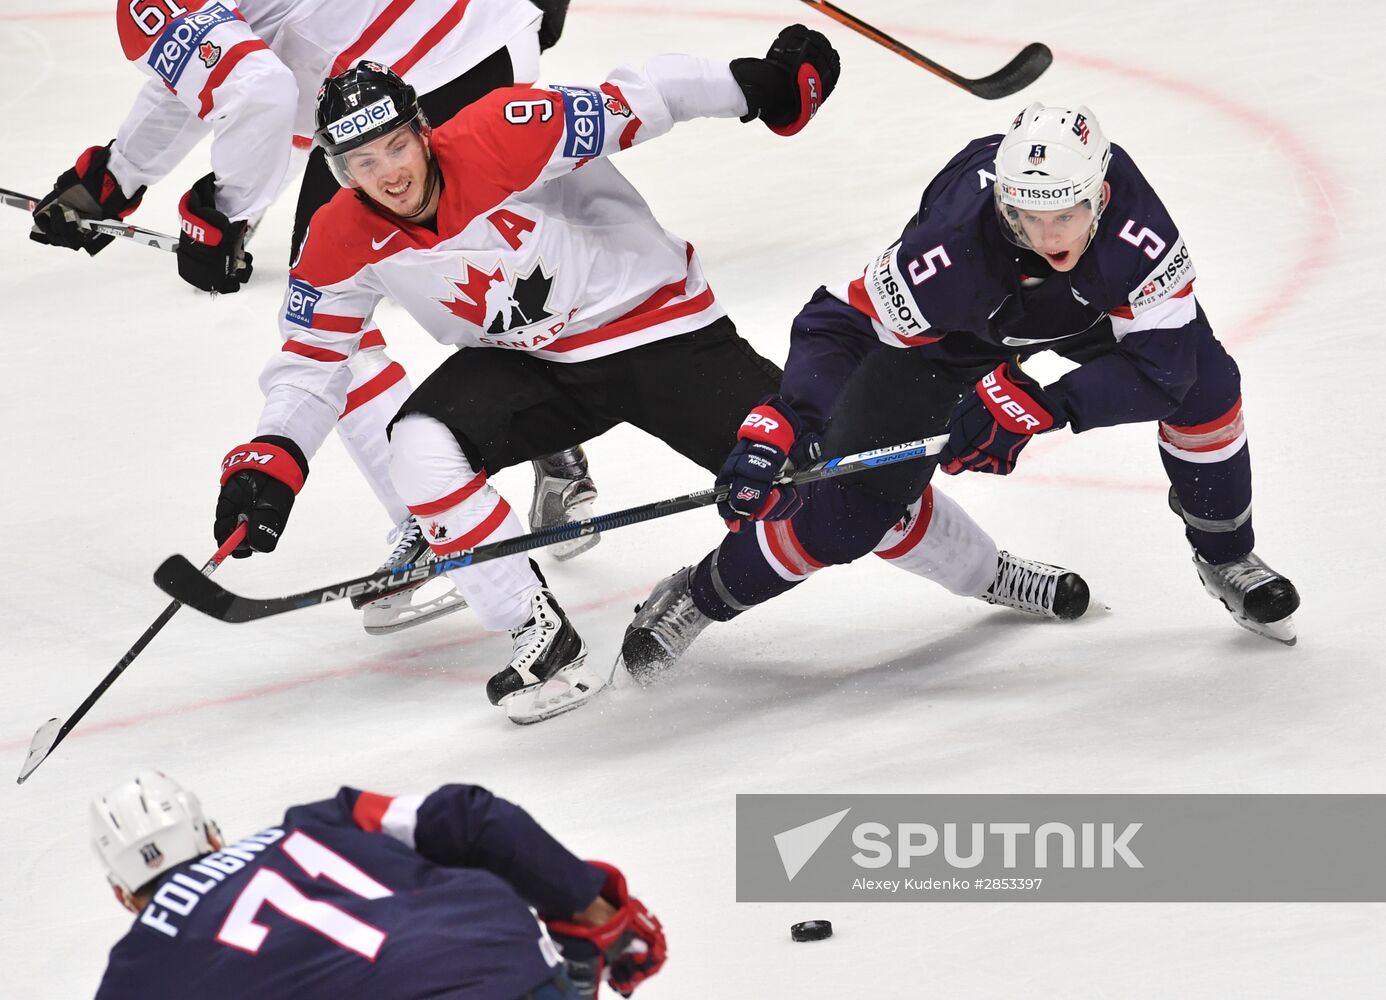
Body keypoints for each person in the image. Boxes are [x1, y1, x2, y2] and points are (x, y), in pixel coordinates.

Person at [208, 31, 1087, 724]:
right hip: (533, 365)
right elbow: (312, 364)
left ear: (420, 130)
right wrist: (271, 457)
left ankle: (987, 571)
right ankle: (538, 635)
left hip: (664, 335)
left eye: (395, 145)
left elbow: (646, 96)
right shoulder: (338, 234)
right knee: (420, 448)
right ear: (336, 171)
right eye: (361, 164)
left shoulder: (507, 132)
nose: (388, 173)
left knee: (834, 481)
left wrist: (759, 86)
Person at [618, 101, 1300, 680]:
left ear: (1101, 195)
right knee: (845, 513)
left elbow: (1165, 370)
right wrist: (786, 418)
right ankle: (699, 595)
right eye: (1028, 215)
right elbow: (840, 323)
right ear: (1002, 199)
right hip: (954, 334)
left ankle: (1227, 556)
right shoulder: (948, 250)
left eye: (1066, 214)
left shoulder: (1137, 232)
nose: (1047, 234)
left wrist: (1040, 405)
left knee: (1209, 387)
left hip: (1091, 313)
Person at [28, 0, 594, 633]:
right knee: (473, 271)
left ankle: (438, 522)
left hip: (413, 83)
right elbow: (199, 71)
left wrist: (226, 212)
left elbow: (256, 85)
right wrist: (117, 176)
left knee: (328, 319)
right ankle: (552, 452)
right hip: (480, 38)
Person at [91, 770, 665, 999]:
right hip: (506, 954)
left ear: (123, 895)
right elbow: (474, 818)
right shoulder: (319, 820)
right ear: (213, 837)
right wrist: (589, 905)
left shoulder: (135, 968)